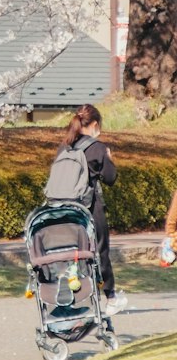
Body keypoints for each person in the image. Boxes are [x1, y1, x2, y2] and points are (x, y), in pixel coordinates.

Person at [53, 103, 128, 316]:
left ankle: (75, 297)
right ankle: (111, 298)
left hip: (63, 210)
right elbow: (111, 178)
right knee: (100, 251)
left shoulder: (64, 147)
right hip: (89, 207)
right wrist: (109, 158)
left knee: (74, 253)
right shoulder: (97, 147)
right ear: (94, 124)